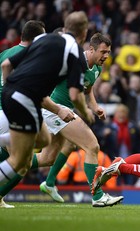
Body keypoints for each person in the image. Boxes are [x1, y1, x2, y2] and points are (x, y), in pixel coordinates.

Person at [0, 11, 91, 201]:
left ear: (65, 28)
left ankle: (4, 140)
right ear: (84, 33)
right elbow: (75, 94)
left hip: (13, 97)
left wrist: (10, 89)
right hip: (23, 99)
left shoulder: (42, 40)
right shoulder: (74, 51)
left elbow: (6, 65)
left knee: (43, 139)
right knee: (20, 161)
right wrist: (86, 113)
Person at [36, 32, 123, 207]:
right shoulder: (75, 62)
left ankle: (46, 181)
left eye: (108, 52)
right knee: (92, 146)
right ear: (91, 49)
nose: (106, 56)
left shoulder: (97, 68)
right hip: (55, 109)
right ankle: (97, 196)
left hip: (64, 110)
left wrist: (95, 106)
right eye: (103, 52)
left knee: (48, 157)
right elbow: (74, 95)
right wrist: (85, 111)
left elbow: (88, 89)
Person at [0, 20, 62, 208]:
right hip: (11, 112)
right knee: (22, 161)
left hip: (3, 109)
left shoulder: (5, 54)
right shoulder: (32, 57)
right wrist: (59, 109)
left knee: (17, 158)